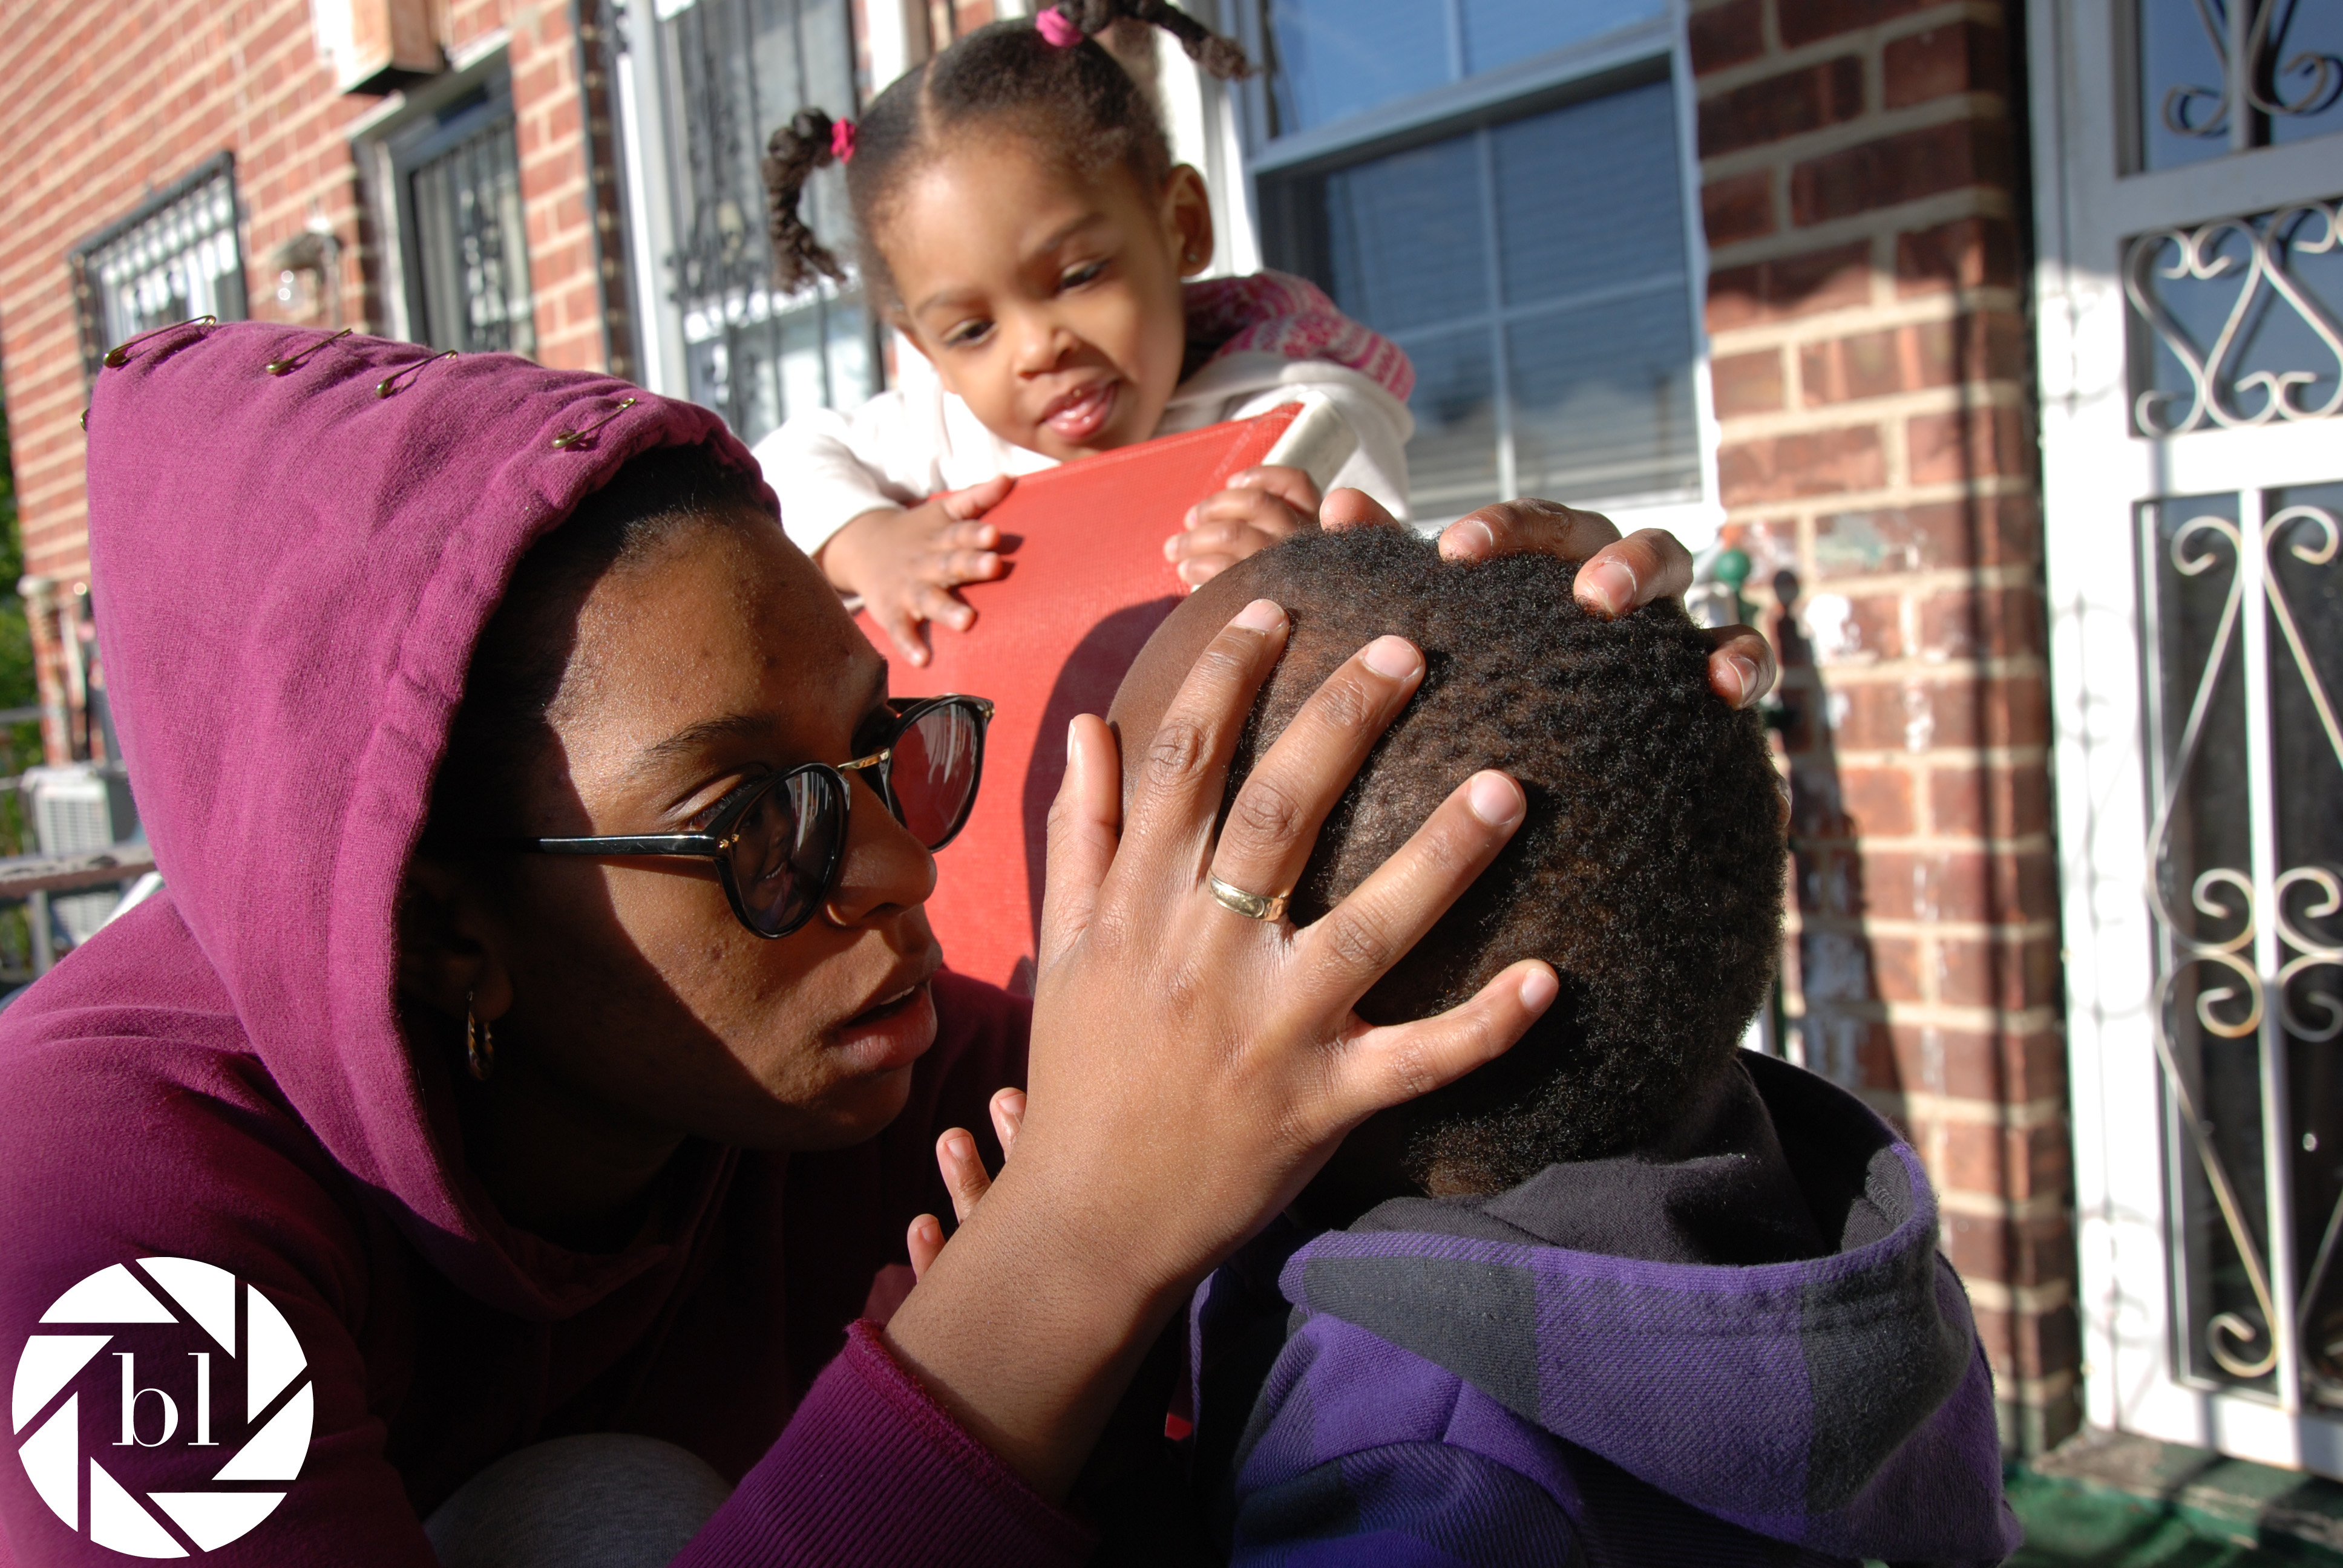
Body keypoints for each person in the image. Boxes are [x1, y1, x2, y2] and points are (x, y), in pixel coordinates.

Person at [0, 318, 1773, 1567]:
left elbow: (1369, 1148)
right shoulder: (104, 1219)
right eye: (749, 826)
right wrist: (1061, 1257)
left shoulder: (896, 1068)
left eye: (879, 748)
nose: (897, 870)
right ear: (450, 931)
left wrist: (1536, 761)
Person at [1080, 528, 2024, 1566]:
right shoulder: (1805, 1198)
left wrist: (1095, 1466)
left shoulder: (1420, 1482)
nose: (1080, 933)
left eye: (1118, 861)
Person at [754, 1, 1416, 664]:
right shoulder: (945, 433)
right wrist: (866, 542)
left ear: (1182, 226)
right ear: (928, 353)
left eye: (1079, 276)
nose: (1038, 348)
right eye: (973, 331)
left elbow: (1412, 627)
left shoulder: (1303, 423)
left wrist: (1312, 578)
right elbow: (780, 464)